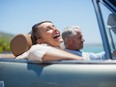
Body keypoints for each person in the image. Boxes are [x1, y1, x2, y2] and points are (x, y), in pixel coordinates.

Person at [16, 21, 85, 62]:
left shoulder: (64, 50)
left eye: (54, 27)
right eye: (48, 29)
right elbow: (35, 51)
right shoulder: (35, 50)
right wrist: (81, 60)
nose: (56, 29)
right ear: (40, 42)